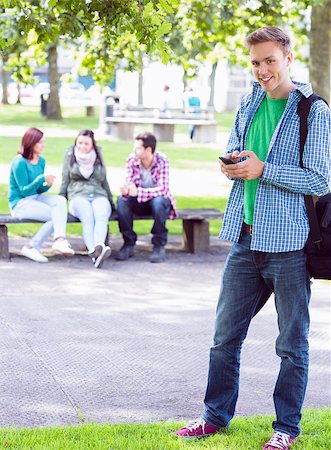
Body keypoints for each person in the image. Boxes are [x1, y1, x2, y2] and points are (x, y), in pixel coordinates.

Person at [176, 26, 330, 450]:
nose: (262, 70)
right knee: (224, 338)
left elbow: (320, 178)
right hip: (246, 239)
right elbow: (236, 147)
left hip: (289, 246)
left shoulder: (312, 111)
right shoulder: (250, 100)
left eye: (269, 61)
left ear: (288, 58)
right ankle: (214, 417)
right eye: (256, 63)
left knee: (291, 345)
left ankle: (286, 430)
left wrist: (264, 170)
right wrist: (233, 164)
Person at [8, 127, 75, 263]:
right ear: (30, 143)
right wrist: (41, 179)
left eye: (43, 142)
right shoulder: (19, 162)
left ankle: (59, 240)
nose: (43, 145)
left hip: (35, 199)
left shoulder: (41, 161)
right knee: (54, 216)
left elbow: (38, 190)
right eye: (40, 143)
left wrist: (47, 184)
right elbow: (24, 191)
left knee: (60, 201)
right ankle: (31, 247)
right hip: (20, 203)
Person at [116, 131, 177, 263]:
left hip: (157, 203)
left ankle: (159, 244)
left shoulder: (162, 160)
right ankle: (128, 243)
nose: (134, 150)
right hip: (139, 203)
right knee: (122, 200)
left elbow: (163, 189)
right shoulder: (132, 159)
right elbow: (130, 182)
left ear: (148, 149)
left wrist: (138, 192)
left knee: (159, 202)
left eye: (138, 148)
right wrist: (127, 189)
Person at [59, 129, 115, 269]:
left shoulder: (98, 155)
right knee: (87, 216)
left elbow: (104, 180)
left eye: (86, 144)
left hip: (98, 194)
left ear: (92, 144)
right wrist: (60, 201)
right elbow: (65, 180)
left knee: (101, 214)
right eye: (80, 143)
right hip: (77, 195)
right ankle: (94, 252)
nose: (83, 146)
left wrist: (111, 201)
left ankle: (99, 247)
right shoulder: (70, 155)